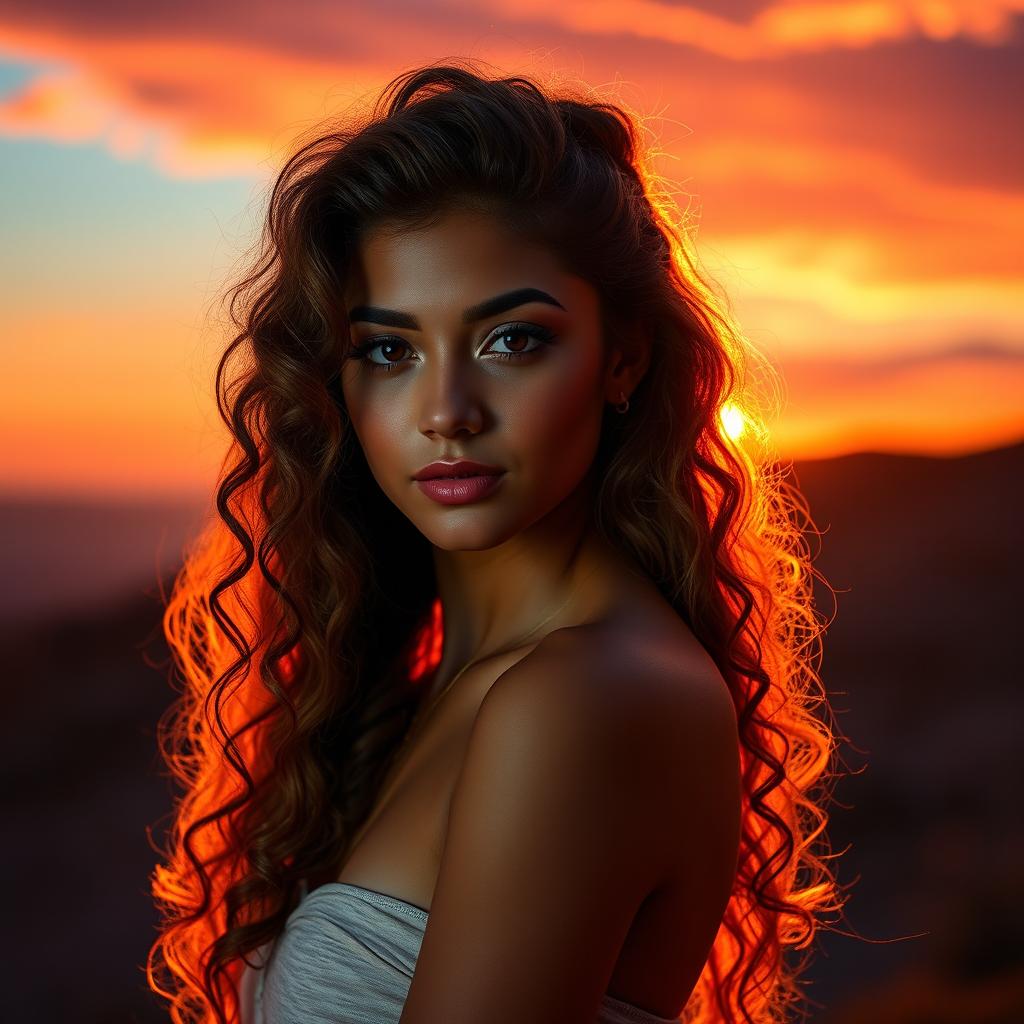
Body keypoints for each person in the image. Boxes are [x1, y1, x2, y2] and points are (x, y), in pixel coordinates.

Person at [147, 60, 845, 1024]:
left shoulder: (583, 699)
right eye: (389, 350)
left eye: (511, 340)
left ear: (624, 358)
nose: (446, 412)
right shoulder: (433, 680)